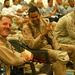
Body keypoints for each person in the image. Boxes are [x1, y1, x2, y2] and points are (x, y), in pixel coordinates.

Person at [22, 6, 69, 75]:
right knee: (60, 58)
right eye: (32, 17)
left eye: (36, 16)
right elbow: (32, 45)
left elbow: (52, 38)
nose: (35, 19)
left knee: (73, 49)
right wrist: (43, 34)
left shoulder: (43, 22)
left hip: (51, 47)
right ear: (29, 17)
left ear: (40, 15)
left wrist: (57, 48)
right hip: (41, 51)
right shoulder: (26, 28)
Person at [54, 9, 75, 74]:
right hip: (59, 38)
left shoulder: (72, 17)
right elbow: (73, 35)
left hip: (65, 37)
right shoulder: (69, 19)